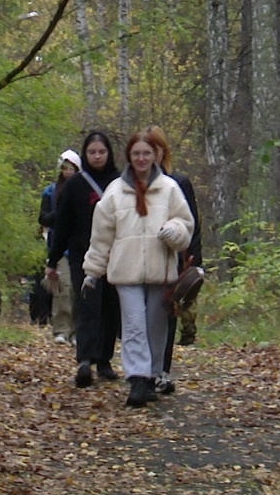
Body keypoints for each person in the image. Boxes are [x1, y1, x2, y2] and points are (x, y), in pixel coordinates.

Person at [84, 130, 195, 407]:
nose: (142, 158)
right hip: (126, 271)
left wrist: (174, 230)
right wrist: (92, 271)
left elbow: (186, 224)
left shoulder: (169, 188)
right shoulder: (114, 192)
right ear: (129, 157)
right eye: (136, 154)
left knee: (155, 326)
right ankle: (137, 378)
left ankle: (153, 375)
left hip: (160, 271)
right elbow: (101, 235)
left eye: (146, 153)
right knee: (134, 325)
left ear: (155, 155)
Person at [46, 132, 123, 387]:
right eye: (92, 152)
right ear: (85, 155)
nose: (97, 156)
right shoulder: (75, 185)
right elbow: (63, 224)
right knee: (88, 303)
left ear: (109, 153)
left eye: (101, 152)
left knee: (110, 306)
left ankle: (104, 359)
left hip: (115, 254)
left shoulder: (120, 182)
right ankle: (84, 360)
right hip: (83, 253)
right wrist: (53, 259)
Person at [145, 125, 202, 395]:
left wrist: (195, 260)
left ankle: (162, 371)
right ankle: (143, 370)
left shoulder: (179, 182)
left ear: (162, 151)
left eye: (154, 149)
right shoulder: (132, 184)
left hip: (175, 257)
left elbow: (193, 224)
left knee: (167, 314)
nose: (149, 156)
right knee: (141, 316)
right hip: (140, 261)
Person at [40, 150, 81, 344]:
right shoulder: (50, 191)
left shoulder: (82, 190)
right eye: (65, 168)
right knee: (61, 287)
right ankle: (61, 329)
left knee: (76, 288)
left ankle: (75, 331)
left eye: (72, 168)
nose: (68, 172)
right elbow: (43, 218)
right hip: (60, 246)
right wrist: (60, 215)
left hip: (80, 246)